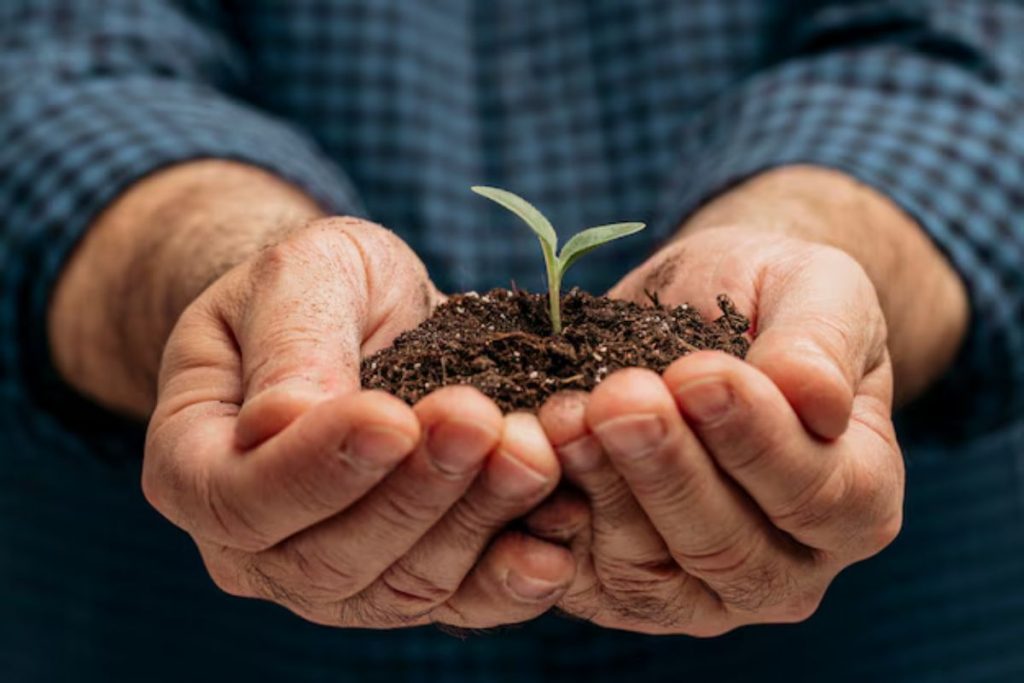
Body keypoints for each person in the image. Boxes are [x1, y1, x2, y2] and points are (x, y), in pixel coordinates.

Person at [1, 1, 1021, 681]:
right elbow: (52, 56)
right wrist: (219, 267)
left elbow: (974, 52)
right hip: (171, 633)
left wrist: (828, 245)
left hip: (885, 637)